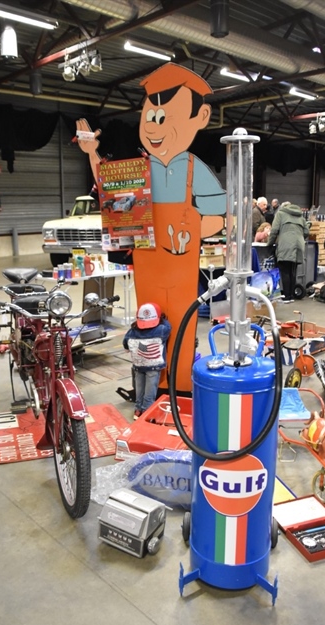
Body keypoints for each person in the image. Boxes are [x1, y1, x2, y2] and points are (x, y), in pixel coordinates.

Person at [76, 63, 226, 392]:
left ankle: (181, 386)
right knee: (148, 325)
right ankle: (152, 387)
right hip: (147, 265)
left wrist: (193, 228)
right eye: (151, 117)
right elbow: (110, 185)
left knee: (183, 324)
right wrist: (92, 153)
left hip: (181, 266)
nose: (154, 127)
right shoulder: (138, 169)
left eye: (166, 118)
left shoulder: (194, 170)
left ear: (200, 118)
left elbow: (217, 215)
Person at [123, 303, 171, 419]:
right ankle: (147, 413)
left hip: (138, 366)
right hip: (153, 368)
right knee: (150, 393)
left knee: (139, 390)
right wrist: (162, 317)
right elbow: (168, 326)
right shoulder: (162, 330)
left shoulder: (132, 332)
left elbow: (125, 343)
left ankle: (138, 410)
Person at [267, 203, 310, 304]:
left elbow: (274, 230)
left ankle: (286, 296)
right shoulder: (300, 215)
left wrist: (269, 243)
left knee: (285, 270)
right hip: (299, 245)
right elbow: (306, 232)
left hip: (285, 244)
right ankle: (291, 295)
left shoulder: (280, 214)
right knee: (293, 270)